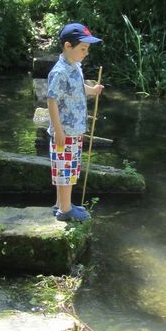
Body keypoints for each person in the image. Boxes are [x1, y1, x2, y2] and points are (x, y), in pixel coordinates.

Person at [46, 22, 104, 223]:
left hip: (75, 130)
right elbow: (51, 100)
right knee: (65, 171)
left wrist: (92, 90)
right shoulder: (60, 71)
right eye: (83, 49)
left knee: (69, 169)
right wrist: (58, 131)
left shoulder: (75, 67)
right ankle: (65, 209)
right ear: (68, 46)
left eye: (87, 49)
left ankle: (61, 203)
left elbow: (79, 88)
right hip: (65, 132)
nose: (86, 53)